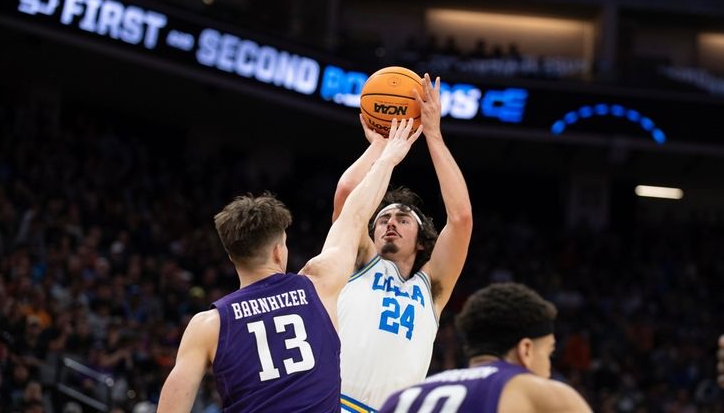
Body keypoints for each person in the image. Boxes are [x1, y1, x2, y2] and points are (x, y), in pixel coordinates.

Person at [156, 120, 423, 412]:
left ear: (232, 256)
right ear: (278, 251)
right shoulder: (318, 284)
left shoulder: (208, 326)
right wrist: (386, 156)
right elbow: (355, 213)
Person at [333, 73, 473, 411]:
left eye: (402, 219)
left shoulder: (432, 290)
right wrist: (380, 147)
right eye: (383, 219)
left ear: (422, 242)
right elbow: (348, 194)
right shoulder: (359, 260)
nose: (390, 223)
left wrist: (434, 135)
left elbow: (461, 219)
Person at [378, 282, 593, 412]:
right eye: (548, 353)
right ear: (526, 349)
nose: (548, 370)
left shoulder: (401, 398)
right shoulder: (536, 393)